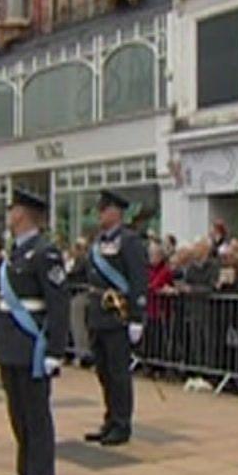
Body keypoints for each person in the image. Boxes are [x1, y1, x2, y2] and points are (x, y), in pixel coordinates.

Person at [0, 187, 70, 475]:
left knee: (36, 413)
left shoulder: (45, 252)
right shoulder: (15, 251)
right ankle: (25, 471)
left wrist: (54, 351)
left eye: (12, 210)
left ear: (21, 214)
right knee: (18, 412)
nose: (9, 216)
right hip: (11, 341)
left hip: (32, 343)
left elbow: (58, 304)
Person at [83, 190, 148, 446]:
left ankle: (122, 423)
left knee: (119, 373)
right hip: (99, 313)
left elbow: (138, 279)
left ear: (116, 212)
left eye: (103, 210)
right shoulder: (98, 241)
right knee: (104, 372)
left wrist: (137, 316)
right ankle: (110, 419)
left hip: (118, 315)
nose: (99, 215)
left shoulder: (129, 241)